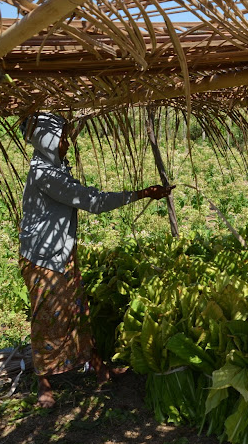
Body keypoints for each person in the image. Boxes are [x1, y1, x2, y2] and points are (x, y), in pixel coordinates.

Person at [18, 112, 172, 408]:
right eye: (62, 136)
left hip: (61, 253)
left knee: (77, 310)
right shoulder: (45, 174)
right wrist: (141, 194)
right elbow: (91, 201)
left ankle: (98, 368)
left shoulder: (55, 166)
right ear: (47, 140)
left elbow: (83, 195)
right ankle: (44, 381)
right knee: (46, 317)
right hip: (42, 259)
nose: (67, 142)